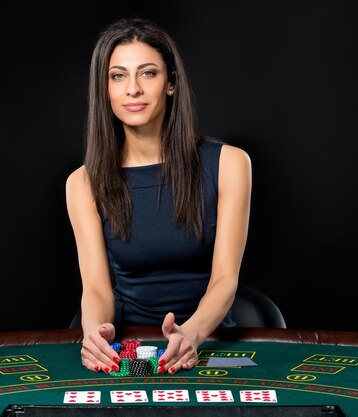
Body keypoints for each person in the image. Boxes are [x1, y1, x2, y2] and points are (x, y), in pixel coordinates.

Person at [65, 16, 252, 375]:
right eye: (117, 76)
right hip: (126, 347)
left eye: (147, 73)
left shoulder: (230, 163)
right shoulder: (82, 182)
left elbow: (225, 279)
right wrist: (95, 334)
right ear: (104, 88)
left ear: (170, 83)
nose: (132, 89)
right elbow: (97, 289)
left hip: (208, 341)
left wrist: (190, 334)